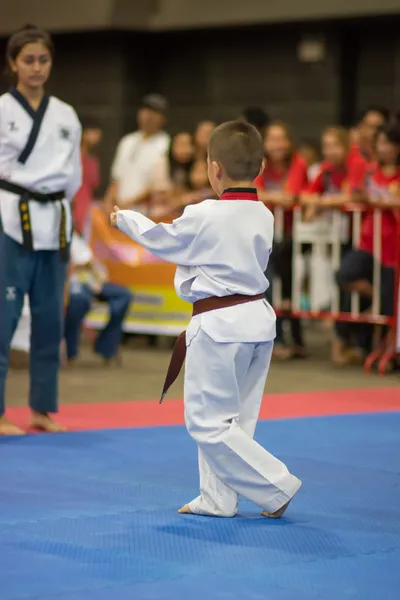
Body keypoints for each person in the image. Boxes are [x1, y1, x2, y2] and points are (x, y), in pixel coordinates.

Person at [110, 121, 302, 519]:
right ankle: (217, 499)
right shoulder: (264, 214)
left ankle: (276, 487)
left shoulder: (205, 213)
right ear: (262, 167)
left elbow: (162, 239)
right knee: (235, 423)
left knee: (207, 423)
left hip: (219, 327)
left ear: (214, 169)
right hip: (258, 323)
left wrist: (125, 219)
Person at [0, 25, 82, 435]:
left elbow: (75, 177)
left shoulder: (66, 114)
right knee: (4, 318)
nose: (36, 67)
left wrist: (61, 206)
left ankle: (40, 410)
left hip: (55, 221)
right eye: (28, 60)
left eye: (43, 60)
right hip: (10, 219)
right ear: (13, 63)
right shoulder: (3, 109)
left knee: (50, 319)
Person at [334, 122, 400, 363]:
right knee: (344, 274)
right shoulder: (371, 170)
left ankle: (383, 347)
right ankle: (373, 298)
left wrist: (385, 202)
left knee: (389, 305)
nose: (382, 148)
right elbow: (355, 191)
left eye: (387, 143)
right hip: (368, 243)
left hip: (393, 250)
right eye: (379, 143)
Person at [254, 121, 309, 359]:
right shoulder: (259, 164)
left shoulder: (298, 163)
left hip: (295, 236)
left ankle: (293, 337)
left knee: (286, 279)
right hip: (267, 237)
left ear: (289, 142)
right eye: (272, 139)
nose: (277, 144)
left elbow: (292, 195)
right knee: (269, 281)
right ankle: (276, 337)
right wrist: (275, 197)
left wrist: (273, 197)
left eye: (281, 138)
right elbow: (253, 192)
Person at [64, 232, 132, 365]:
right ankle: (69, 352)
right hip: (73, 283)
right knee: (79, 301)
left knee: (124, 296)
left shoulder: (75, 237)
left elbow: (90, 261)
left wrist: (95, 271)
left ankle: (106, 347)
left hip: (94, 282)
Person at [104, 94, 170, 214]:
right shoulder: (127, 141)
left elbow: (158, 183)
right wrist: (109, 203)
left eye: (154, 112)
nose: (149, 116)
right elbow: (116, 177)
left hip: (148, 212)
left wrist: (130, 202)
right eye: (145, 110)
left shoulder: (166, 143)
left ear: (163, 118)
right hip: (121, 210)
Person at [73, 117, 102, 234]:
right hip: (73, 211)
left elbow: (94, 189)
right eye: (93, 132)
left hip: (87, 215)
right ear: (83, 133)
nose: (98, 136)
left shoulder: (93, 161)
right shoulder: (72, 159)